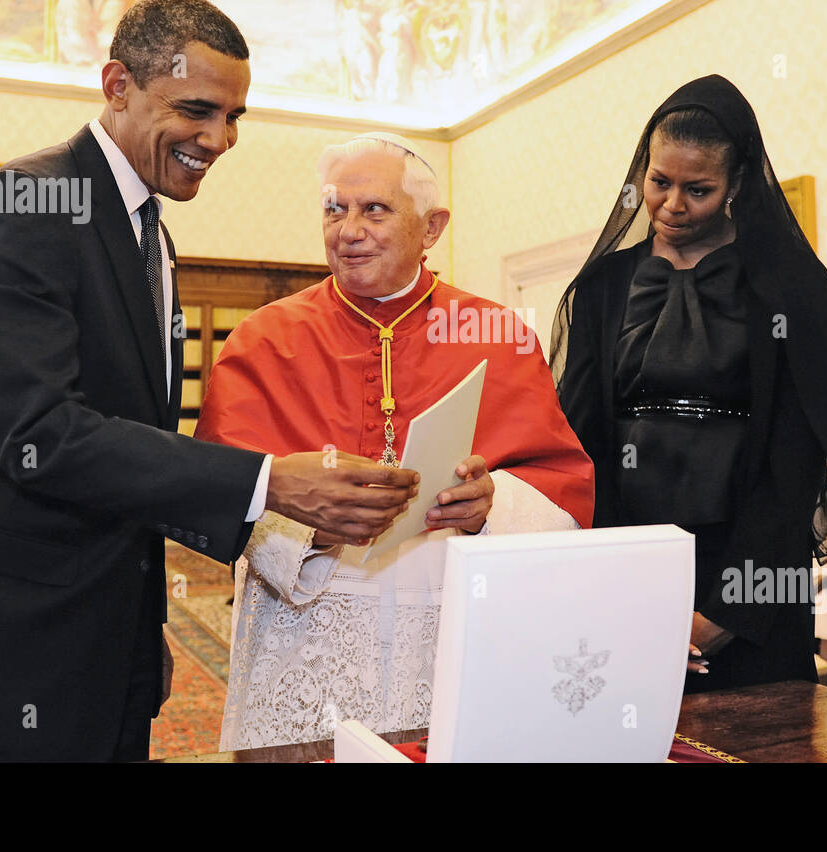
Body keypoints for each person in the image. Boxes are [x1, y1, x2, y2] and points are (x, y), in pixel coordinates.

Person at [0, 0, 418, 763]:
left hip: (108, 637)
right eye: (197, 109)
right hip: (9, 644)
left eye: (235, 116)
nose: (219, 138)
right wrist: (271, 483)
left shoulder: (150, 233)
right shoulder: (26, 204)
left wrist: (159, 613)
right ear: (117, 85)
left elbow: (134, 445)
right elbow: (40, 437)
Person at [196, 133, 595, 748]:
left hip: (448, 631)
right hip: (307, 635)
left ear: (431, 228)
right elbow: (224, 491)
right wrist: (307, 528)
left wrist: (493, 505)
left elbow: (560, 483)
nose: (347, 229)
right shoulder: (263, 340)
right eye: (334, 209)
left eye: (373, 210)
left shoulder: (497, 334)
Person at [553, 75, 827, 695]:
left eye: (698, 189)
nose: (672, 205)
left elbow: (795, 460)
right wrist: (601, 579)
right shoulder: (604, 286)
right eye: (660, 182)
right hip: (625, 566)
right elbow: (578, 441)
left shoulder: (789, 287)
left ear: (737, 184)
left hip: (750, 571)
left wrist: (722, 616)